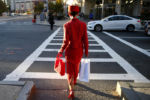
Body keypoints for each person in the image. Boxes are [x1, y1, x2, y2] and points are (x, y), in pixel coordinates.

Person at [58, 5, 89, 99]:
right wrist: (86, 50)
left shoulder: (66, 25)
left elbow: (65, 41)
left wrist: (61, 50)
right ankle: (74, 80)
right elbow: (85, 40)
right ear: (78, 13)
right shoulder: (83, 25)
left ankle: (71, 89)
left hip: (70, 50)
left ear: (69, 13)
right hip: (79, 50)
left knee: (70, 70)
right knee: (76, 66)